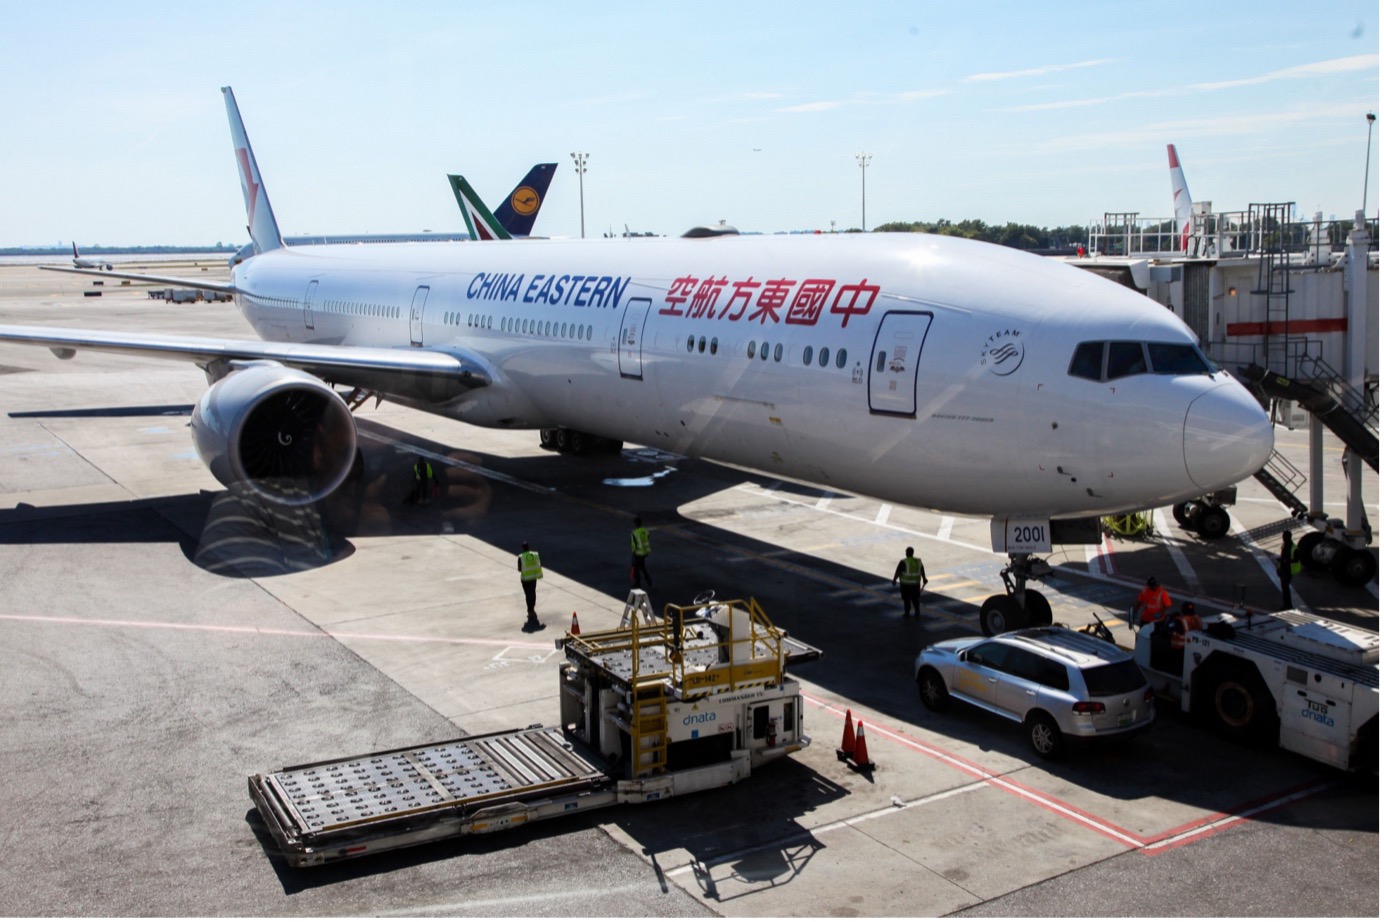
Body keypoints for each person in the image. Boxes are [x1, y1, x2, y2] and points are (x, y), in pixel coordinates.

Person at [891, 546, 927, 617]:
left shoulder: (903, 562)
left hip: (906, 584)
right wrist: (924, 578)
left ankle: (907, 613)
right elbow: (922, 569)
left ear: (906, 553)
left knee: (906, 599)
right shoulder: (918, 561)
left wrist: (894, 580)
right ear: (913, 553)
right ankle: (917, 611)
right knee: (915, 598)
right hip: (916, 584)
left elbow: (898, 571)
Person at [517, 541, 544, 630]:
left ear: (522, 548)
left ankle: (530, 610)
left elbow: (519, 569)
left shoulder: (521, 557)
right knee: (533, 592)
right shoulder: (535, 554)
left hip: (525, 579)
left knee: (527, 594)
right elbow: (538, 563)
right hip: (533, 577)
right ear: (529, 547)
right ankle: (532, 608)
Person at [1277, 530, 1299, 611]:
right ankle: (1286, 604)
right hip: (1283, 569)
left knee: (1285, 588)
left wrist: (1286, 560)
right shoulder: (1284, 545)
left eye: (1284, 536)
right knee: (1284, 588)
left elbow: (1296, 560)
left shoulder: (1294, 548)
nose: (1282, 538)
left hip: (1288, 570)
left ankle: (1288, 605)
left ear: (1288, 537)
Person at [629, 516, 653, 589]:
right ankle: (648, 579)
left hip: (638, 553)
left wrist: (633, 554)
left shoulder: (634, 533)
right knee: (642, 566)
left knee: (636, 568)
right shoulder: (645, 530)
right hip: (645, 552)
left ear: (635, 524)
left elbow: (634, 545)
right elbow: (648, 537)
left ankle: (638, 583)